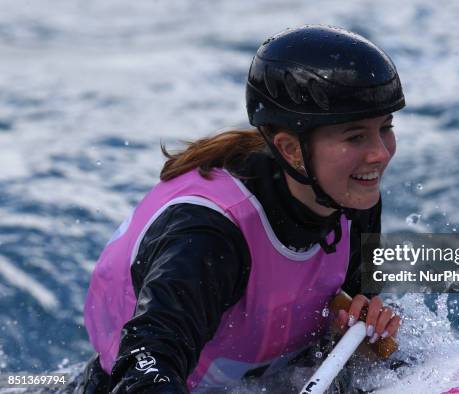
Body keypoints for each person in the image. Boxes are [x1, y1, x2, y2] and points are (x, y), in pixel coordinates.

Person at [81, 24, 405, 393]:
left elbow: (338, 340)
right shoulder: (209, 236)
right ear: (290, 149)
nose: (381, 153)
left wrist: (359, 332)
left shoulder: (351, 198)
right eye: (356, 136)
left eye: (386, 128)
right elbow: (146, 359)